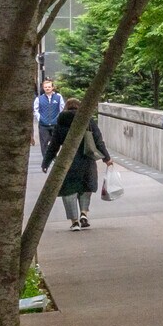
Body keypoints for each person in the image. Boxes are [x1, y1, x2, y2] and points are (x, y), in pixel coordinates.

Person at [41, 98, 109, 231]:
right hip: (87, 160)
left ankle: (75, 222)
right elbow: (98, 141)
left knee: (68, 190)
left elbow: (53, 146)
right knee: (85, 187)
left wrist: (46, 162)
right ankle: (84, 213)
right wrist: (107, 158)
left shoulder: (60, 122)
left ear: (66, 108)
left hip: (67, 162)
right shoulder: (88, 121)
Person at [34, 79, 63, 153]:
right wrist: (40, 118)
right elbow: (36, 110)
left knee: (56, 142)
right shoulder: (39, 99)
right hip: (43, 125)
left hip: (55, 124)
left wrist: (59, 118)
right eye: (46, 87)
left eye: (49, 87)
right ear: (43, 88)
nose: (47, 88)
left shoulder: (58, 97)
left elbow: (62, 109)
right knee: (44, 144)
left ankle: (54, 156)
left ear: (52, 87)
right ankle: (45, 158)